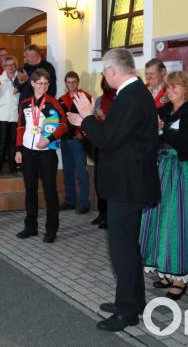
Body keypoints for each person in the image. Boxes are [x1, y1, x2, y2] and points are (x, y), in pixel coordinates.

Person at [67, 49, 160, 332]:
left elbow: (107, 141)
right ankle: (135, 301)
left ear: (111, 71)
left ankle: (126, 311)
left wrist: (87, 118)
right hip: (128, 183)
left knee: (122, 250)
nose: (104, 78)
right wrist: (87, 123)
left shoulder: (130, 97)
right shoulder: (134, 94)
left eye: (103, 72)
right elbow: (117, 137)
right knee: (128, 247)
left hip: (127, 186)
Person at [138, 71, 188, 302]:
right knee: (159, 220)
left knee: (178, 221)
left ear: (187, 88)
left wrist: (162, 130)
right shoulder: (164, 111)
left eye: (174, 87)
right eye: (168, 87)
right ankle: (166, 270)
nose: (169, 91)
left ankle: (180, 277)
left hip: (182, 171)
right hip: (161, 169)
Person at [14, 68, 67, 243]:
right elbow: (20, 127)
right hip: (28, 152)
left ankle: (51, 230)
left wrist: (49, 138)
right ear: (32, 83)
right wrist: (18, 149)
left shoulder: (52, 103)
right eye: (40, 83)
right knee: (30, 191)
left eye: (46, 84)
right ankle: (31, 227)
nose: (43, 87)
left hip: (47, 154)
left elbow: (64, 125)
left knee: (50, 192)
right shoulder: (25, 103)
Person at [57, 71, 93, 213]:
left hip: (78, 140)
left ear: (78, 82)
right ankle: (70, 201)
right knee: (67, 171)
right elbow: (59, 120)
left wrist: (81, 133)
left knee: (80, 172)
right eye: (69, 82)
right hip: (65, 139)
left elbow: (89, 118)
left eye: (74, 82)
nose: (71, 84)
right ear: (65, 84)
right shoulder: (61, 99)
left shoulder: (85, 97)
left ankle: (84, 203)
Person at [90, 77, 116, 229]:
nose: (106, 84)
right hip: (100, 144)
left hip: (113, 146)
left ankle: (110, 216)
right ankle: (102, 213)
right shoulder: (100, 99)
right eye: (104, 81)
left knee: (110, 181)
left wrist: (104, 117)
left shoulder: (119, 99)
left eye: (108, 80)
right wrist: (95, 117)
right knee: (99, 180)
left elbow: (116, 125)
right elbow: (94, 120)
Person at [0, 56, 20, 174]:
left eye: (13, 65)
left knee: (13, 143)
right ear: (4, 66)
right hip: (1, 116)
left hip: (15, 116)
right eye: (8, 65)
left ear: (16, 66)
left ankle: (13, 167)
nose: (10, 67)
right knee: (1, 142)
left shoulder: (20, 78)